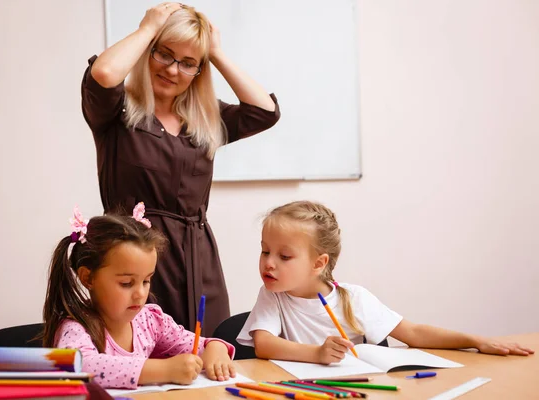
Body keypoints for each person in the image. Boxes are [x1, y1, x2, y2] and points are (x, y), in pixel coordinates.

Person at [82, 2, 280, 336]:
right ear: (148, 52)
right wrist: (146, 29)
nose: (173, 70)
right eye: (165, 54)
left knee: (211, 353)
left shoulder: (204, 119)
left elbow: (265, 111)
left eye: (188, 63)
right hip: (134, 261)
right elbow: (103, 74)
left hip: (198, 262)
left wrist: (214, 52)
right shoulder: (116, 111)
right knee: (144, 362)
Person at [237, 200, 534, 364]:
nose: (269, 262)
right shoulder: (273, 296)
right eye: (265, 251)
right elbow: (263, 344)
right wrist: (316, 353)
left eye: (284, 256)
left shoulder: (353, 298)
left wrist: (475, 341)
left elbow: (414, 332)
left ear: (319, 263)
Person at [41, 203, 236, 389]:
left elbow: (199, 345)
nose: (141, 294)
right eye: (126, 283)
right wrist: (164, 370)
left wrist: (215, 350)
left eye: (146, 281)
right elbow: (81, 367)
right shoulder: (74, 328)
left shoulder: (150, 320)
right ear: (88, 278)